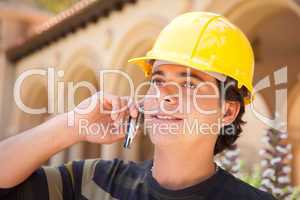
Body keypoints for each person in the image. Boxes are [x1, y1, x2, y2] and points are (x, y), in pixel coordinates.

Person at [0, 12, 276, 200]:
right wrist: (72, 125)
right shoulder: (94, 182)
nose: (165, 95)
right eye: (158, 80)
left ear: (227, 111)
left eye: (190, 84)